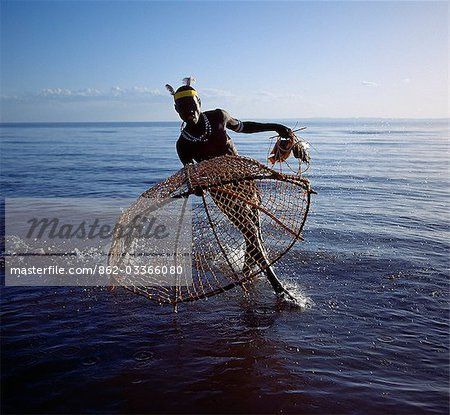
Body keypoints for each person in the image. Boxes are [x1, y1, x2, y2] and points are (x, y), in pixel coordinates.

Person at [166, 78, 293, 297]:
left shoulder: (218, 117)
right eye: (183, 108)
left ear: (199, 102)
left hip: (244, 178)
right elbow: (191, 176)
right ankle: (277, 287)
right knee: (250, 230)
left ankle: (247, 272)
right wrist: (197, 187)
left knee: (255, 230)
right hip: (221, 190)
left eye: (192, 105)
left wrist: (275, 127)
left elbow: (244, 127)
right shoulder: (183, 144)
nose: (189, 111)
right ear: (176, 110)